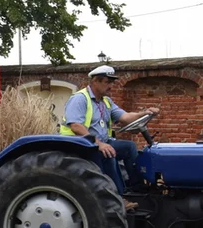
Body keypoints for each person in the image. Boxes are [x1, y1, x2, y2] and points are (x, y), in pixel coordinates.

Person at [60, 65, 159, 196]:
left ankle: (138, 188)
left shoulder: (106, 101)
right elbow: (75, 126)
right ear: (95, 81)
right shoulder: (80, 99)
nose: (111, 86)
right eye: (107, 82)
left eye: (112, 82)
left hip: (100, 142)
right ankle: (117, 195)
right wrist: (99, 144)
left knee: (129, 147)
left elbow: (125, 117)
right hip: (82, 145)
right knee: (108, 152)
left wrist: (144, 113)